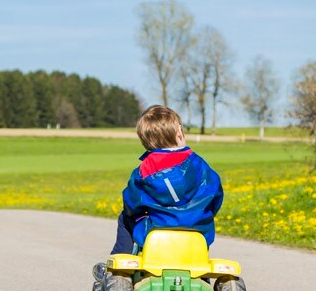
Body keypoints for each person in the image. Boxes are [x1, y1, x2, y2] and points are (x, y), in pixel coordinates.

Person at [94, 105, 223, 278]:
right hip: (197, 228)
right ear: (179, 133)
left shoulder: (145, 170)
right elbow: (216, 194)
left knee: (125, 219)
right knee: (203, 218)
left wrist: (138, 211)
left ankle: (117, 269)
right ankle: (200, 275)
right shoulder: (199, 164)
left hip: (156, 227)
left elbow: (132, 202)